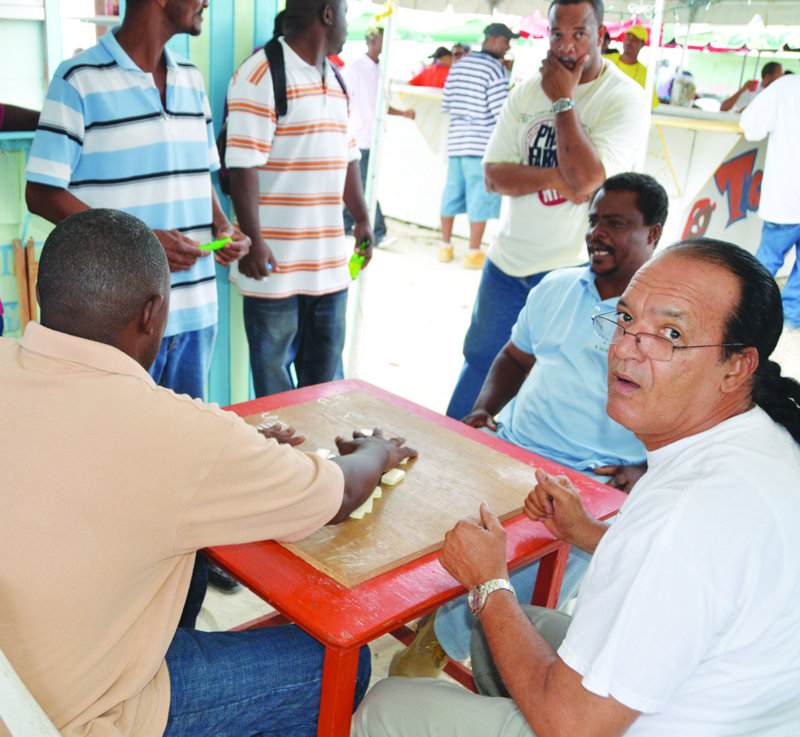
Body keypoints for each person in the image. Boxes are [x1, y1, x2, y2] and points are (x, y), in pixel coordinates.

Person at [353, 237, 800, 737]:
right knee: (505, 630)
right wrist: (584, 530)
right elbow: (690, 578)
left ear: (736, 366)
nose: (627, 347)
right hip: (726, 701)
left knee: (386, 704)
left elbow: (573, 726)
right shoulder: (761, 443)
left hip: (604, 724)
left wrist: (487, 583)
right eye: (627, 319)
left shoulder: (687, 511)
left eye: (670, 332)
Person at [0, 208, 416, 737]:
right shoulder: (176, 432)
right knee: (341, 664)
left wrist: (228, 457)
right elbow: (339, 493)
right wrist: (378, 450)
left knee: (184, 561)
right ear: (152, 313)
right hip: (82, 715)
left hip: (16, 677)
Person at [391, 172, 666, 678]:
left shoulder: (664, 323)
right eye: (594, 220)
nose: (597, 233)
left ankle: (457, 648)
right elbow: (515, 359)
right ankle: (432, 625)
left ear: (653, 233)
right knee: (416, 522)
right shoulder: (557, 286)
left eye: (616, 223)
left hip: (589, 481)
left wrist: (646, 470)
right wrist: (484, 410)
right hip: (511, 451)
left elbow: (692, 418)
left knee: (524, 584)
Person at [25, 0, 250, 403]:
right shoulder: (78, 79)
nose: (207, 3)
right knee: (114, 455)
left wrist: (223, 226)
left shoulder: (192, 80)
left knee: (184, 454)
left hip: (195, 313)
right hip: (118, 325)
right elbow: (41, 192)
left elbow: (199, 177)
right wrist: (139, 243)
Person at [445, 0, 649, 420]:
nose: (567, 47)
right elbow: (493, 176)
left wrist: (562, 101)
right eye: (558, 34)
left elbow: (591, 181)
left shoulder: (624, 98)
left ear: (601, 36)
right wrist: (564, 178)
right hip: (507, 264)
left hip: (572, 270)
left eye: (580, 34)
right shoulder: (523, 92)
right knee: (480, 363)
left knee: (547, 384)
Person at [225, 0, 374, 398]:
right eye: (344, 12)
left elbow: (349, 157)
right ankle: (285, 461)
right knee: (276, 398)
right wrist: (254, 241)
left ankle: (320, 461)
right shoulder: (259, 75)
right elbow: (242, 167)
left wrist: (361, 218)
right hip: (274, 270)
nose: (348, 23)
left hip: (329, 270)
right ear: (328, 14)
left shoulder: (338, 79)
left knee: (323, 392)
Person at [438, 23, 517, 269]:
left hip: (456, 142)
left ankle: (445, 246)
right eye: (506, 41)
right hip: (481, 145)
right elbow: (500, 113)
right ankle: (473, 252)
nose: (508, 46)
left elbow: (446, 102)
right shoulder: (495, 69)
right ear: (492, 39)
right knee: (480, 199)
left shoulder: (459, 64)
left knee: (451, 194)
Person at [341, 26, 416, 247]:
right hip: (357, 136)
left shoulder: (382, 70)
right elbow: (343, 102)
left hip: (374, 137)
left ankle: (346, 222)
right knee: (365, 185)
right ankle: (379, 231)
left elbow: (382, 105)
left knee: (364, 183)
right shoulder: (354, 69)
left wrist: (403, 113)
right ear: (372, 41)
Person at [740, 72, 800, 330]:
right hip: (785, 196)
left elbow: (750, 126)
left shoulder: (785, 86)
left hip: (786, 195)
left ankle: (746, 313)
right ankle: (791, 319)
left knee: (767, 260)